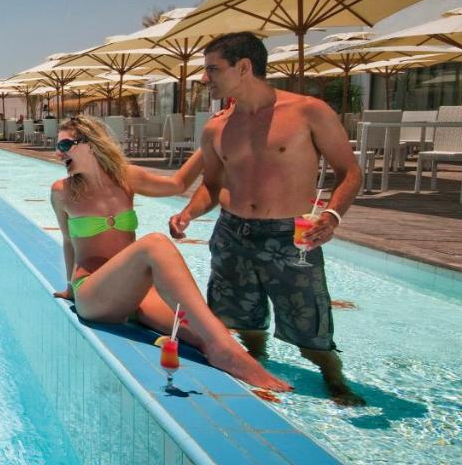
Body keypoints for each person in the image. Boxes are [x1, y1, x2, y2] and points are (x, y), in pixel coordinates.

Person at [168, 32, 362, 405]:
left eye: (213, 69)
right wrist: (187, 213)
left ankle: (334, 380)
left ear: (244, 67)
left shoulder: (308, 112)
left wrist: (333, 215)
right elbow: (212, 185)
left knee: (311, 325)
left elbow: (349, 171)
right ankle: (255, 360)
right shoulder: (217, 127)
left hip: (289, 235)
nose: (205, 78)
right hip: (232, 232)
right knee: (237, 318)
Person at [50, 114, 289, 392]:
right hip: (94, 293)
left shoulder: (126, 178)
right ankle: (226, 351)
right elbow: (68, 241)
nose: (58, 153)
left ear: (90, 144)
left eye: (64, 146)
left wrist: (208, 141)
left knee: (203, 335)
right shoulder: (62, 191)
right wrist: (70, 289)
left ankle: (233, 358)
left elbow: (177, 184)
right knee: (155, 244)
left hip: (138, 293)